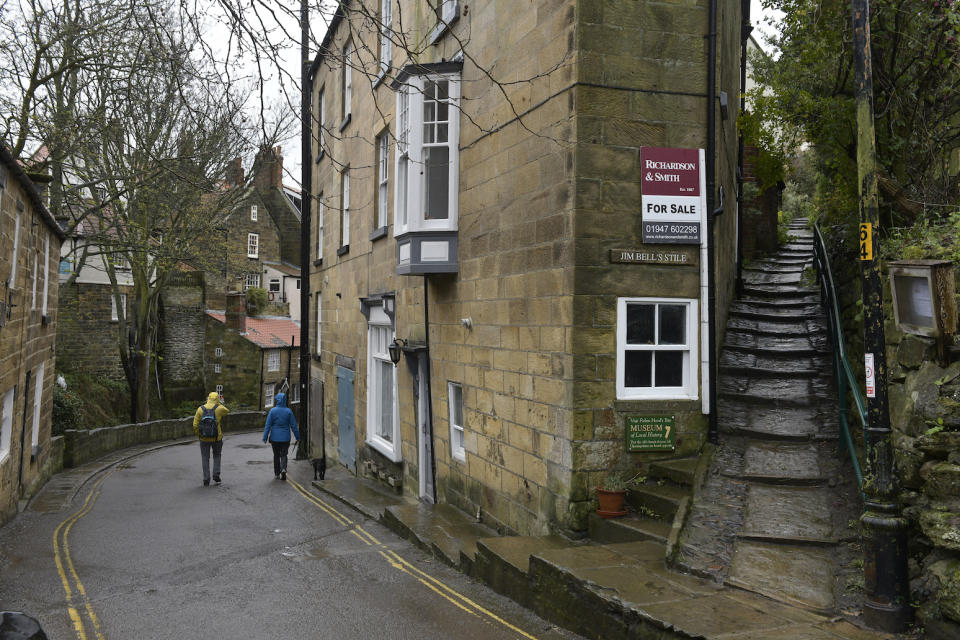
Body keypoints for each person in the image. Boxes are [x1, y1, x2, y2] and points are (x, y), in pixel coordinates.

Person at [193, 392, 229, 486]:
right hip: (217, 438)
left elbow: (195, 425)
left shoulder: (200, 409)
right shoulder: (219, 408)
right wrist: (218, 403)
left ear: (208, 398)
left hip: (204, 439)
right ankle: (216, 475)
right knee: (217, 456)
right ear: (217, 399)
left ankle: (206, 478)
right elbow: (227, 411)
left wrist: (200, 435)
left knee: (205, 458)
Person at [262, 392, 300, 481]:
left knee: (276, 455)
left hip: (274, 438)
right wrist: (297, 437)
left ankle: (276, 473)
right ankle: (283, 469)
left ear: (277, 401)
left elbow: (268, 425)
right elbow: (294, 426)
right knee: (284, 454)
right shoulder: (288, 411)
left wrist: (265, 437)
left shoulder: (272, 411)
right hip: (285, 438)